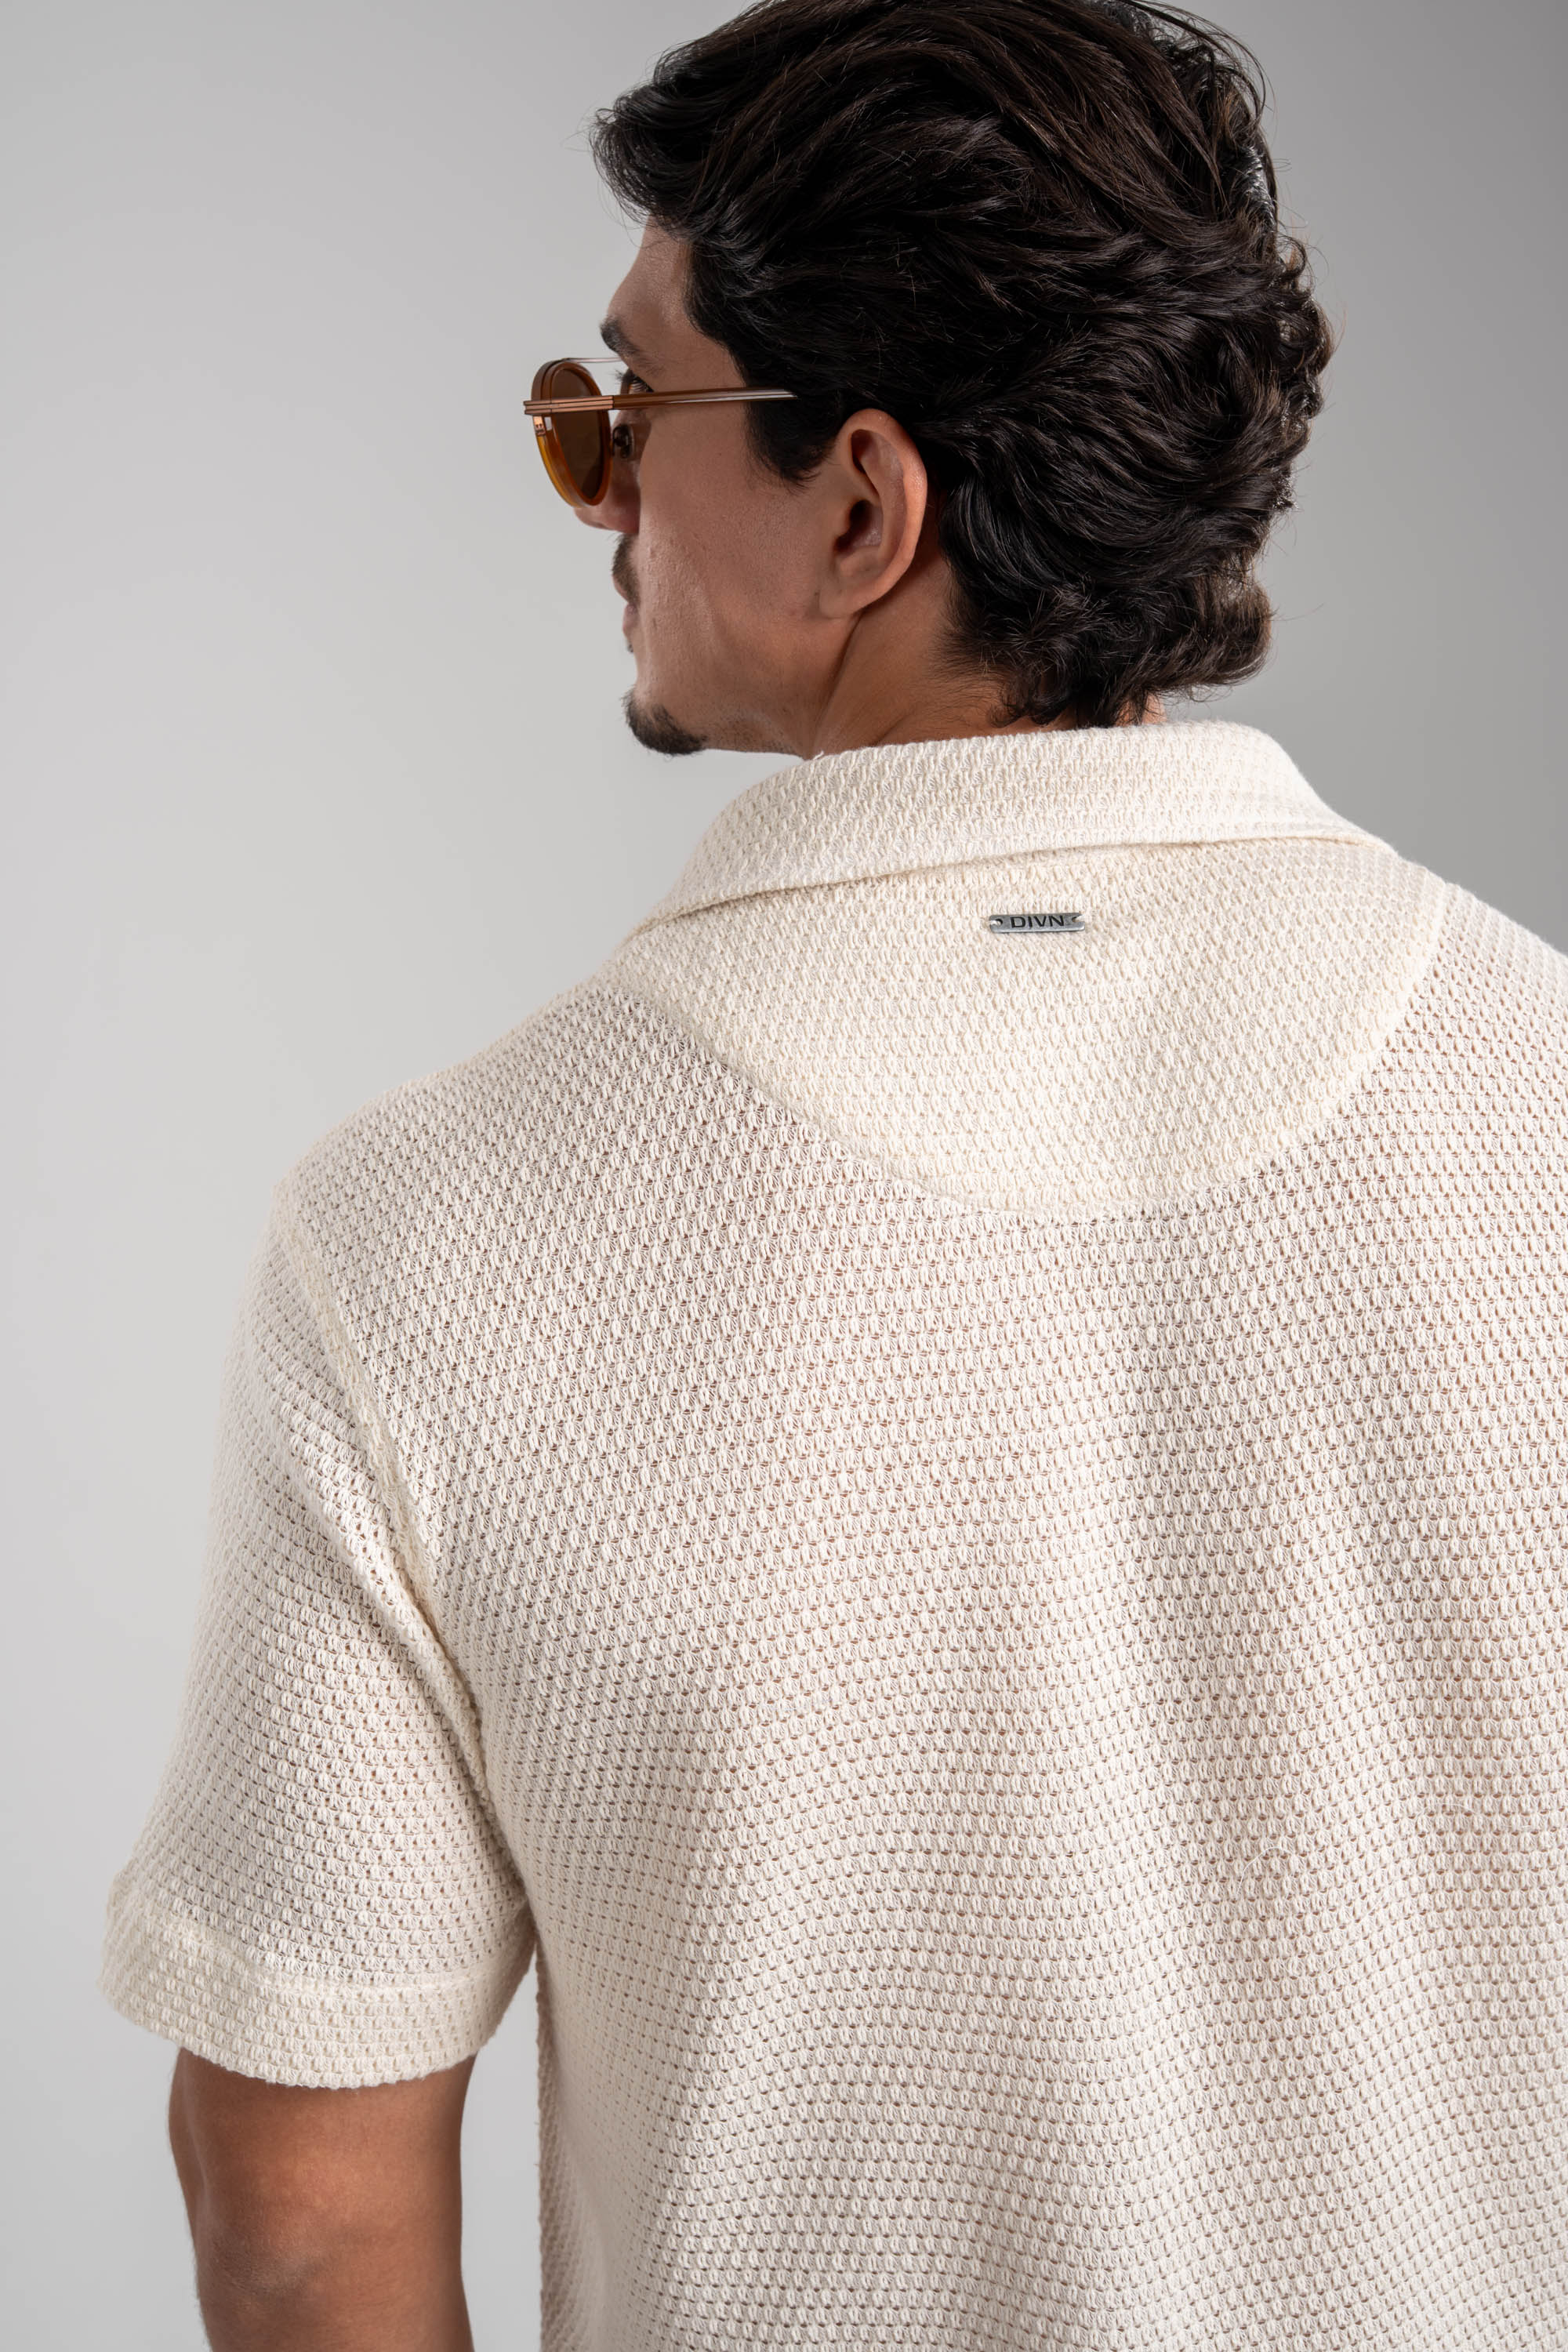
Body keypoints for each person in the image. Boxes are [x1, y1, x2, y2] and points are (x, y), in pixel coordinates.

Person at [100, 1, 1568, 2345]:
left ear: (864, 508)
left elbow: (299, 2213)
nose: (599, 493)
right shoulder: (1540, 1095)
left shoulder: (432, 1236)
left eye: (622, 418)